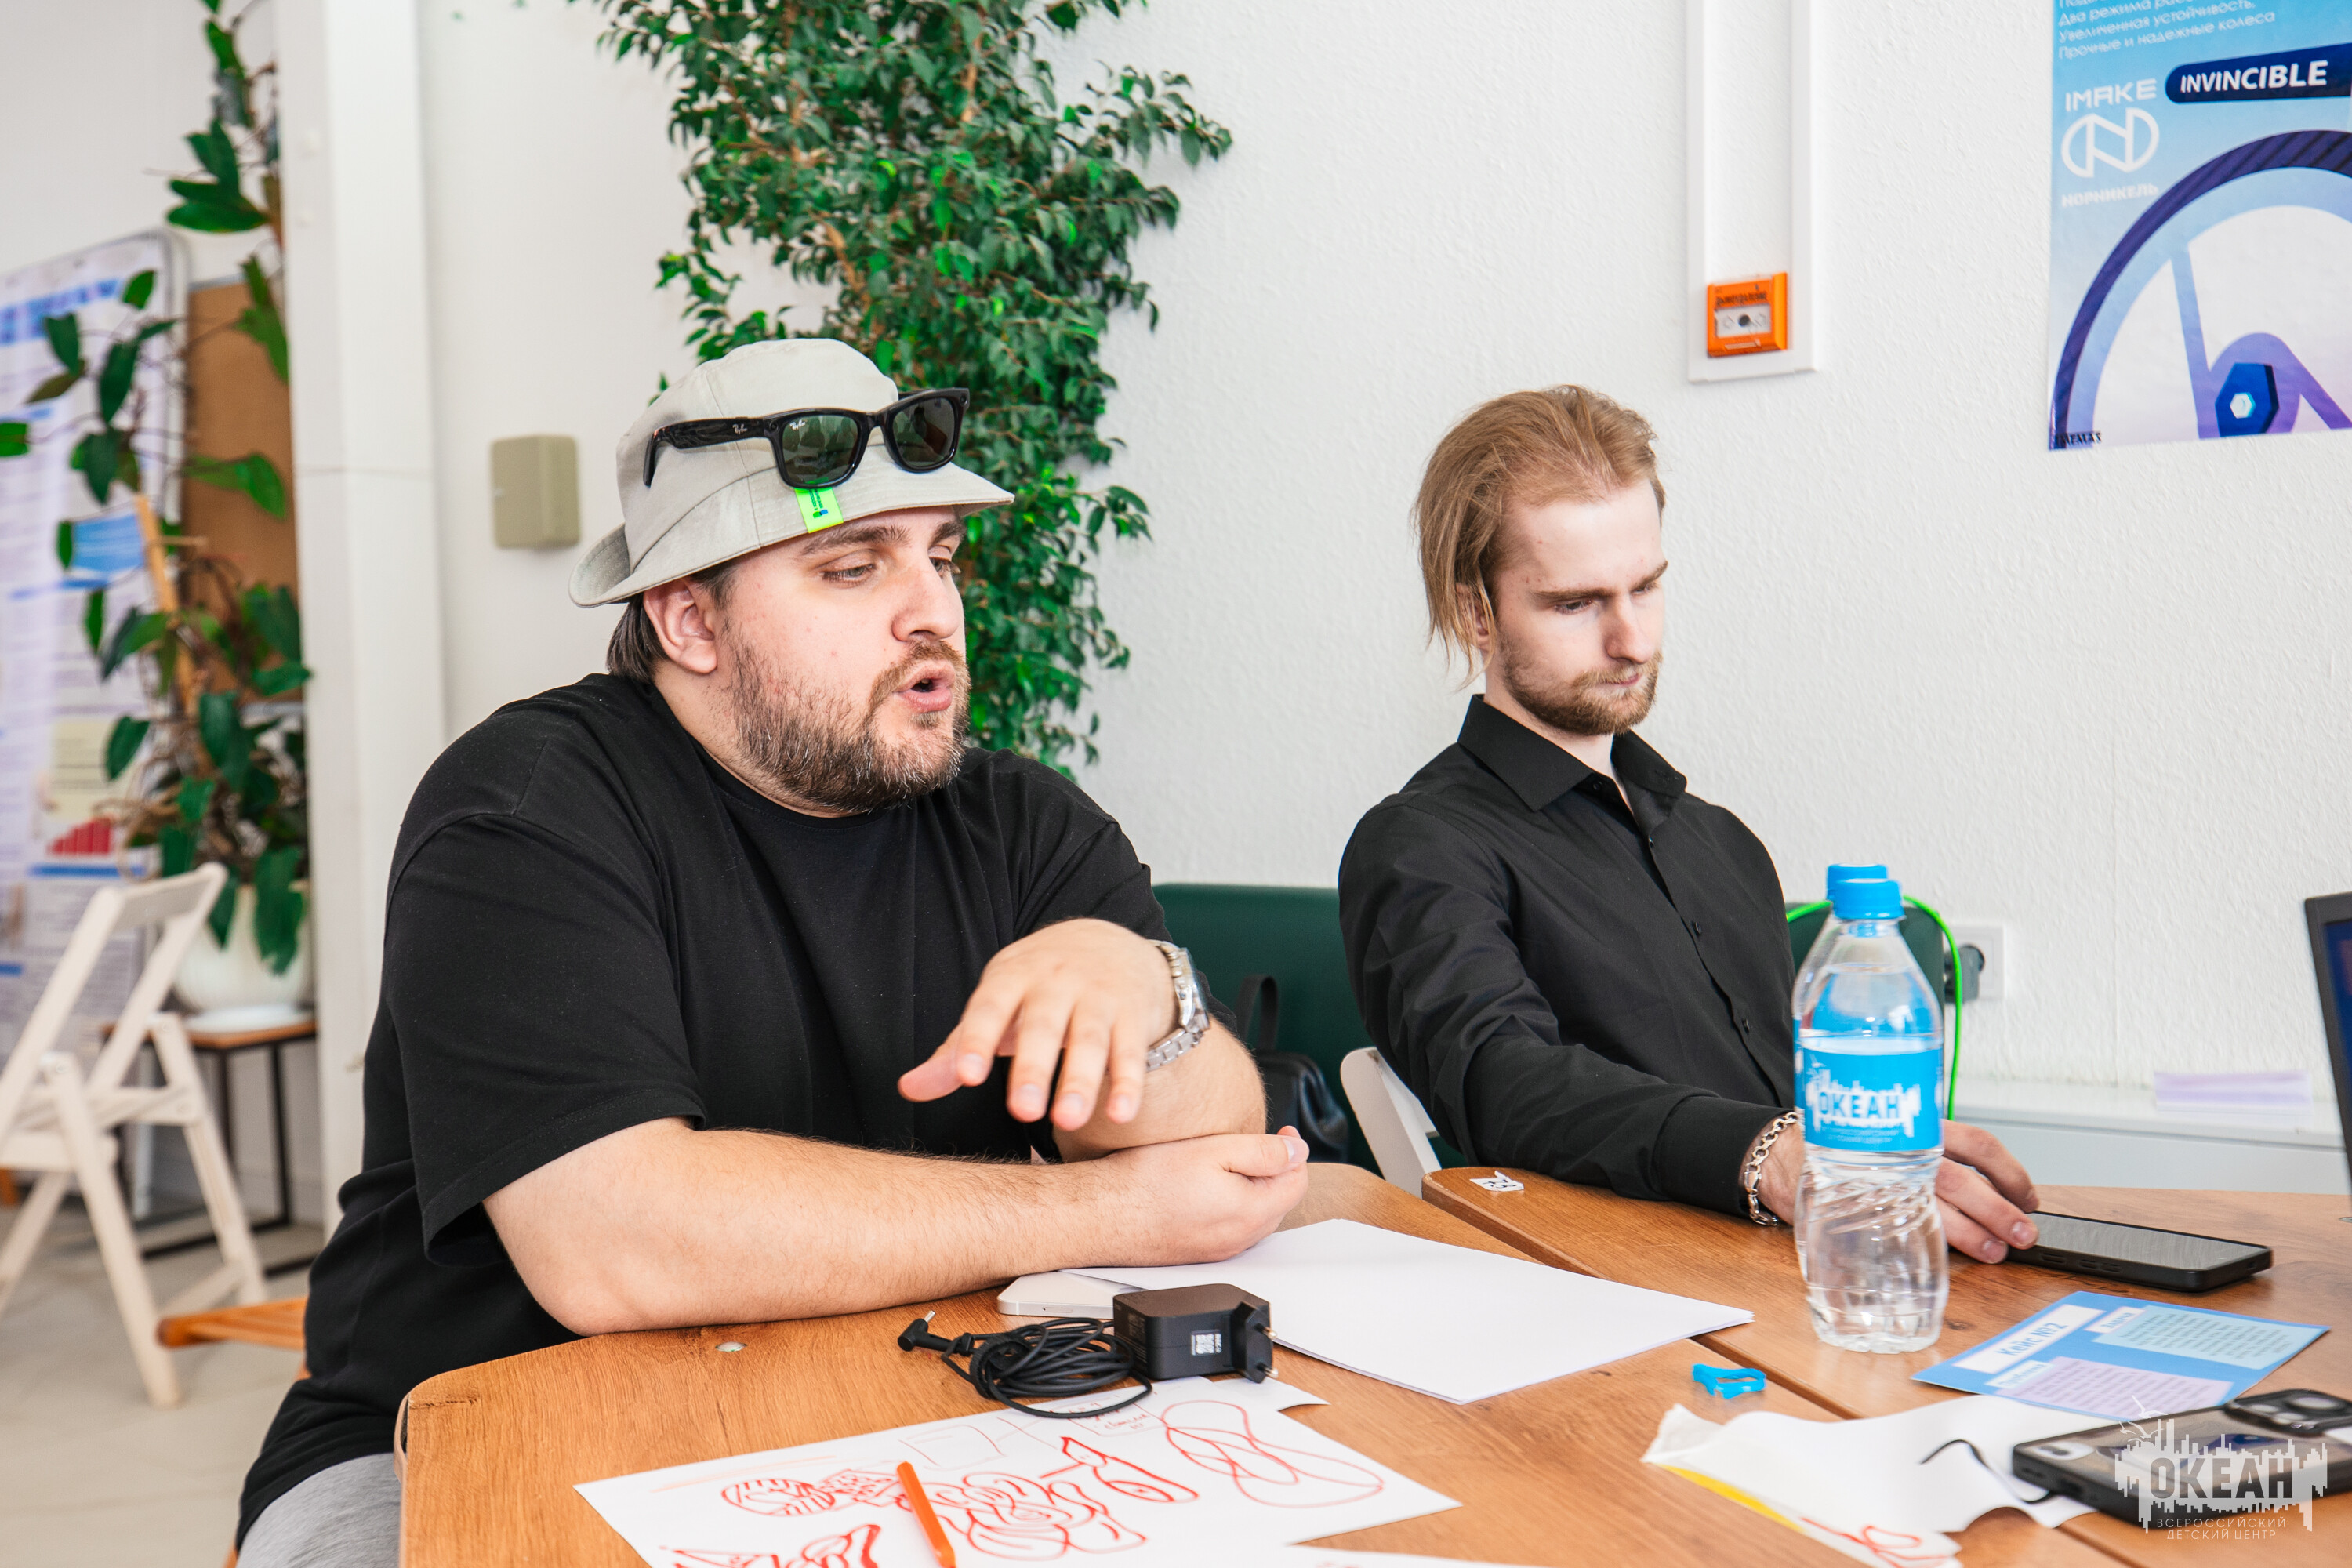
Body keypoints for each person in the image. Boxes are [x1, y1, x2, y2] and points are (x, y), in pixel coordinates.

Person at [236, 339, 1307, 1566]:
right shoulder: (526, 810)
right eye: (853, 566)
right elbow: (613, 1247)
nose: (932, 611)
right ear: (688, 618)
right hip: (447, 1446)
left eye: (941, 556)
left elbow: (1216, 1153)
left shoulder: (1022, 824)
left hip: (876, 1416)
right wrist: (1103, 1209)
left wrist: (1152, 997)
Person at [1338, 387, 2039, 1251]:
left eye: (1646, 587)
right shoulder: (1421, 846)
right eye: (1575, 603)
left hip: (1826, 1261)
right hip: (1633, 1297)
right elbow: (1502, 1080)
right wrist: (1766, 1155)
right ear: (1474, 612)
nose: (1632, 640)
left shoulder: (1722, 843)